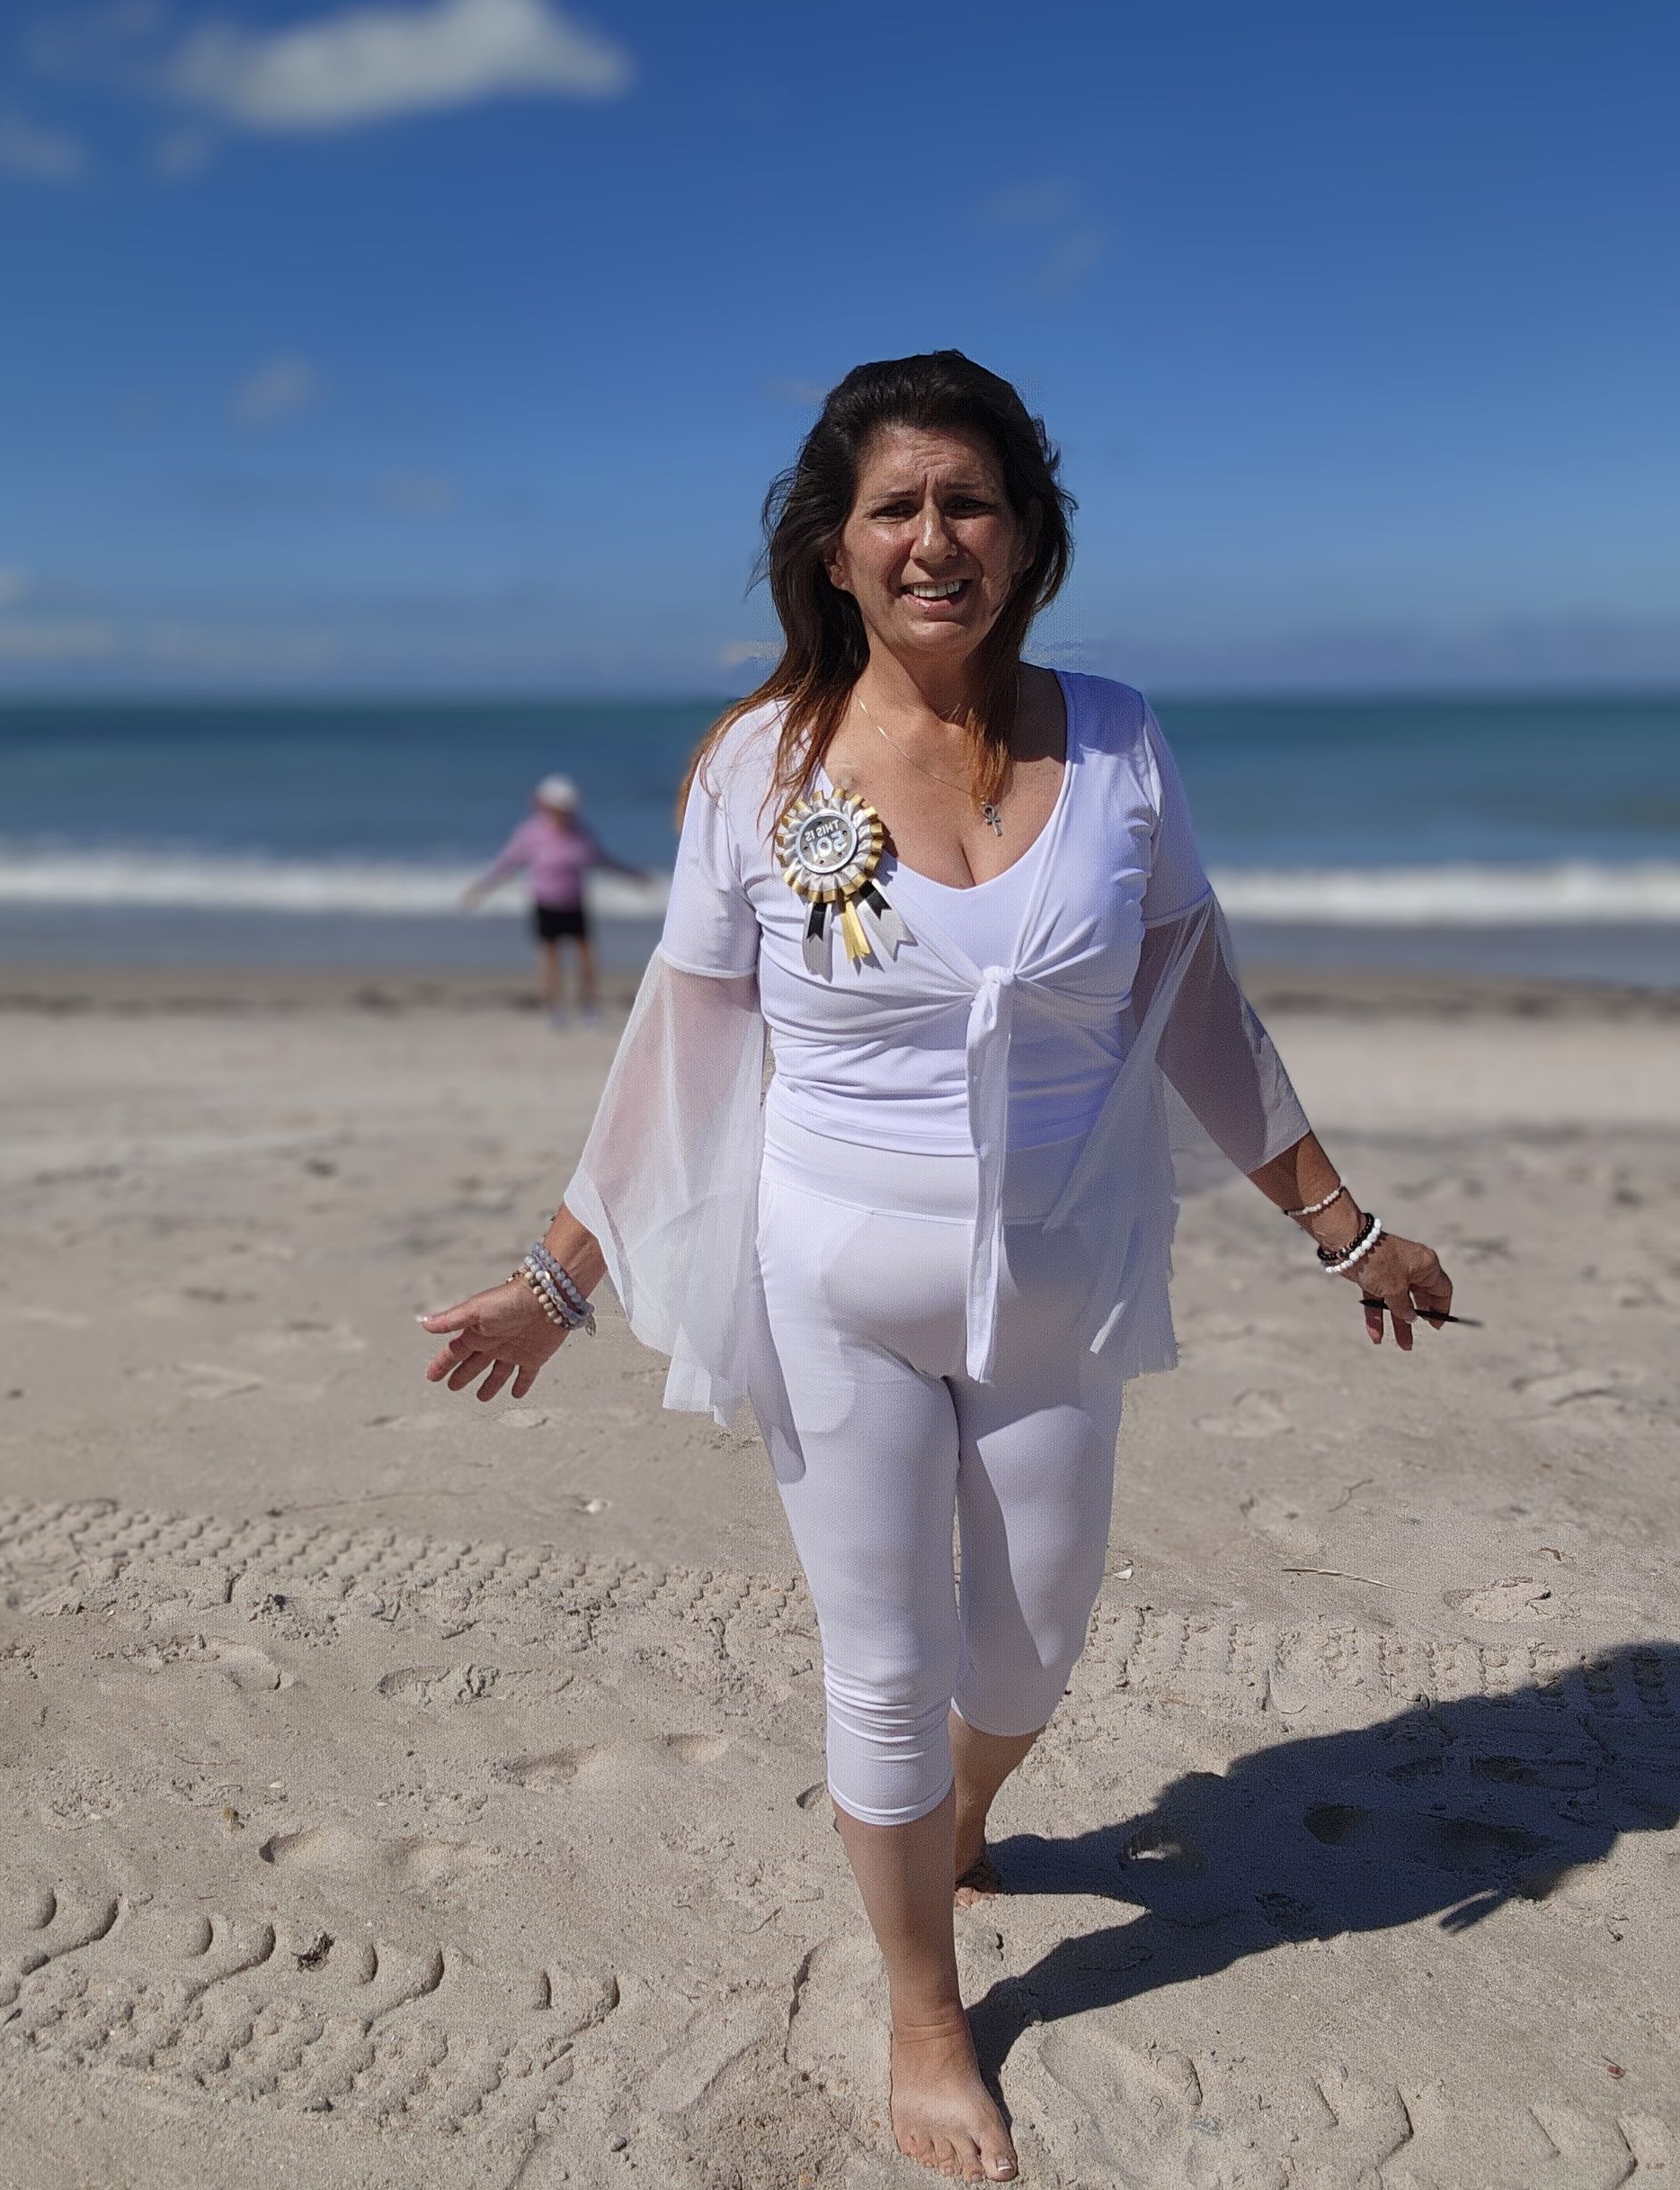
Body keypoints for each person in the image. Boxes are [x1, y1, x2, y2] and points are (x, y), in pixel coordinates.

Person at [419, 352, 1454, 2184]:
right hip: (837, 1280)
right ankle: (923, 2001)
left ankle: (961, 1816)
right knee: (883, 1664)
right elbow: (680, 1052)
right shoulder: (760, 768)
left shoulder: (1121, 736)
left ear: (1027, 534)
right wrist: (559, 1275)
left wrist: (1343, 1220)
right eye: (894, 507)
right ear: (832, 547)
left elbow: (1196, 1004)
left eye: (968, 501)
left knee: (1034, 1646)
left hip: (1058, 1272)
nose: (932, 538)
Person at [461, 773, 643, 1022]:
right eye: (560, 809)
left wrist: (633, 876)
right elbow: (507, 863)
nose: (565, 815)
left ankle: (588, 1004)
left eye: (568, 810)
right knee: (550, 956)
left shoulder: (581, 833)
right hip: (546, 903)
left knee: (586, 954)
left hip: (575, 903)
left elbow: (602, 860)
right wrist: (481, 888)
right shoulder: (531, 833)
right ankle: (554, 1007)